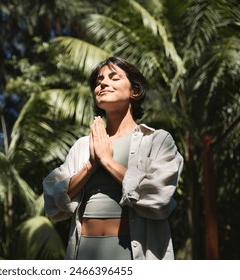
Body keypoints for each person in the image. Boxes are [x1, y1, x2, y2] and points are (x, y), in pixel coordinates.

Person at [42, 56, 184, 260]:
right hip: (84, 252)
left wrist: (108, 161)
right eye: (99, 80)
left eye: (113, 77)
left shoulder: (156, 140)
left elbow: (160, 195)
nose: (103, 83)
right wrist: (91, 165)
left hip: (132, 254)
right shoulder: (84, 145)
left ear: (134, 91)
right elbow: (53, 200)